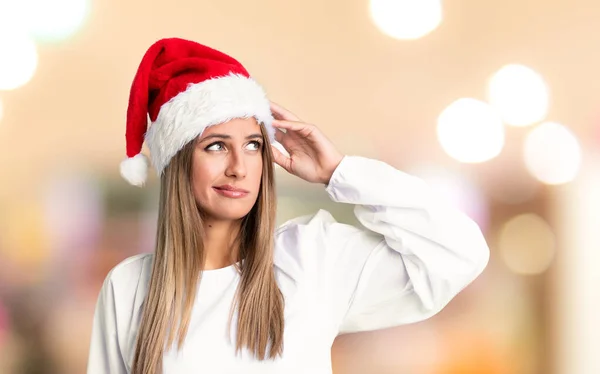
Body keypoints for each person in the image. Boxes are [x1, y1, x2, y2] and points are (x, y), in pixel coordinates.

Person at [86, 37, 490, 374]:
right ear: (178, 162)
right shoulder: (129, 287)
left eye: (252, 145)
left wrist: (340, 172)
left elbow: (460, 252)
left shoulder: (312, 258)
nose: (239, 167)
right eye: (215, 146)